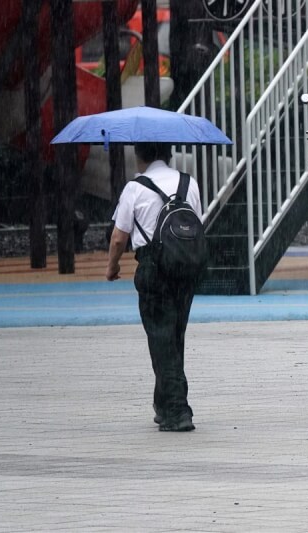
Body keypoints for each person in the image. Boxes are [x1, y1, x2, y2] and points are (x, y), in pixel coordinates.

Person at [105, 142, 202, 431]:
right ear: (169, 154)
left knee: (161, 338)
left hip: (153, 268)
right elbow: (196, 224)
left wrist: (112, 266)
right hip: (185, 267)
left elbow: (118, 238)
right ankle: (164, 403)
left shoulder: (135, 188)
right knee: (174, 336)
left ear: (140, 156)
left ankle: (177, 410)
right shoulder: (189, 183)